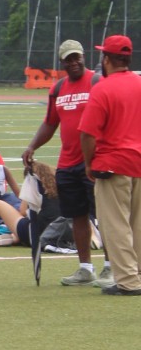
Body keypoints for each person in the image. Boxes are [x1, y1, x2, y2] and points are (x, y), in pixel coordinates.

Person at [22, 40, 108, 288]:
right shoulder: (58, 88)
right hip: (68, 163)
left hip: (94, 161)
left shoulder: (97, 82)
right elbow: (50, 123)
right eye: (68, 59)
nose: (74, 62)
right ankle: (86, 268)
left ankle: (112, 266)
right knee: (76, 216)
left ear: (83, 56)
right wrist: (32, 146)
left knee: (105, 216)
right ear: (62, 63)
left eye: (76, 57)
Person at [78, 33, 141, 296]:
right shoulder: (139, 83)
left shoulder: (103, 88)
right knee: (137, 224)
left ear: (106, 59)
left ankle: (128, 281)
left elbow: (87, 133)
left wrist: (88, 163)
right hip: (138, 162)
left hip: (112, 164)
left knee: (115, 225)